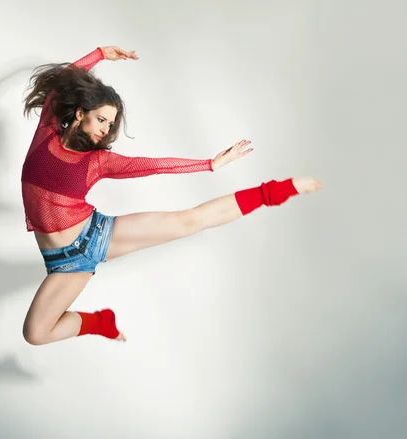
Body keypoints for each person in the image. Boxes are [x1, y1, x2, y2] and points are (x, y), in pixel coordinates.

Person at [20, 46, 321, 346]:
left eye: (111, 124)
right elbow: (63, 77)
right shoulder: (46, 132)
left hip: (92, 239)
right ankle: (100, 322)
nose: (106, 129)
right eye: (102, 120)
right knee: (35, 334)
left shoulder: (96, 163)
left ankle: (275, 191)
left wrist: (210, 164)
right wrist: (99, 54)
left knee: (189, 221)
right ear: (81, 112)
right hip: (59, 261)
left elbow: (154, 166)